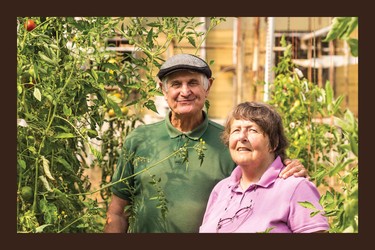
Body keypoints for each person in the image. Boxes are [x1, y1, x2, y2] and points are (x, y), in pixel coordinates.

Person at [104, 54, 308, 233]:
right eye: (176, 84)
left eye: (193, 83)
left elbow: (270, 176)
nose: (185, 92)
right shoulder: (140, 139)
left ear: (207, 86)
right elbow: (117, 211)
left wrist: (291, 167)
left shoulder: (231, 142)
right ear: (162, 90)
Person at [199, 101, 329, 233]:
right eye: (236, 130)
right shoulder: (222, 189)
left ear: (274, 142)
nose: (242, 137)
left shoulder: (296, 188)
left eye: (252, 130)